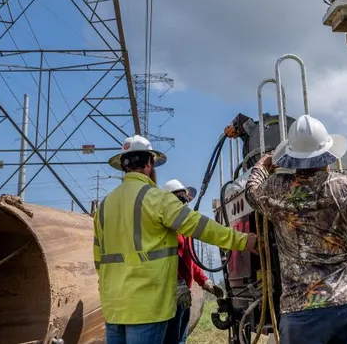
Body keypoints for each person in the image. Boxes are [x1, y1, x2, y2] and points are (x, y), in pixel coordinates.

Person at [95, 135, 256, 344]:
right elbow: (201, 226)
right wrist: (243, 241)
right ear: (149, 163)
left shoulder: (104, 206)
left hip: (114, 307)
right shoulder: (156, 198)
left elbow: (99, 260)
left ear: (123, 166)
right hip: (147, 308)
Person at [245, 115, 347, 344]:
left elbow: (252, 193)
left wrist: (261, 167)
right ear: (327, 155)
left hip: (300, 309)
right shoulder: (346, 186)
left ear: (290, 158)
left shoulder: (275, 189)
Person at [160, 178, 224, 344]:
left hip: (183, 295)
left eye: (186, 200)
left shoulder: (184, 229)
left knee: (181, 339)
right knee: (170, 339)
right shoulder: (163, 228)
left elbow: (191, 261)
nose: (185, 203)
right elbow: (161, 259)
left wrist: (205, 282)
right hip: (168, 296)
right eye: (181, 199)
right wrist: (176, 284)